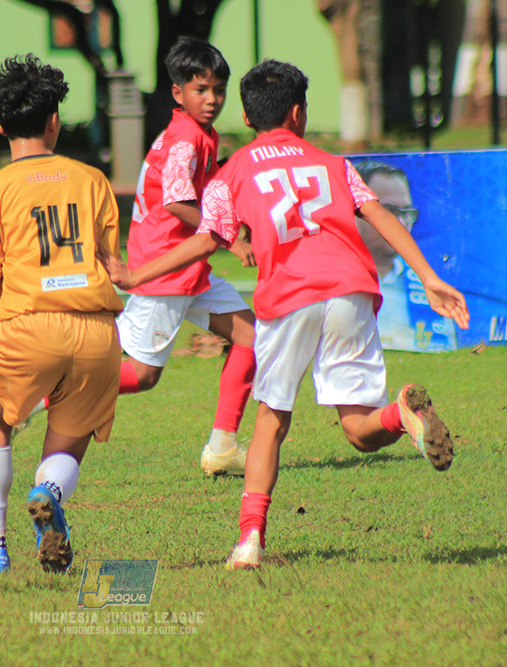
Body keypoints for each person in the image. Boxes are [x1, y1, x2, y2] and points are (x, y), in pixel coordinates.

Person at [98, 60, 470, 570]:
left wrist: (137, 277)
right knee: (362, 431)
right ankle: (400, 415)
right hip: (351, 292)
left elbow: (209, 238)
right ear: (298, 113)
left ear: (248, 118)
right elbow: (379, 214)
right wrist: (429, 277)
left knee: (272, 422)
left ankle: (249, 541)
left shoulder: (234, 171)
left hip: (290, 297)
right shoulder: (333, 163)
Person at [0, 54, 124, 576]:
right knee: (68, 442)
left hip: (27, 326)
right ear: (55, 120)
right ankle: (48, 490)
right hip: (96, 330)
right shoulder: (93, 179)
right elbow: (110, 261)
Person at [117, 35, 257, 477]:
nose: (212, 99)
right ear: (178, 93)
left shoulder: (200, 135)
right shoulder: (185, 140)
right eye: (201, 90)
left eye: (218, 90)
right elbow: (178, 201)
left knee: (252, 337)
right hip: (166, 268)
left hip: (189, 264)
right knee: (141, 376)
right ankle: (47, 394)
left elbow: (211, 191)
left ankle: (223, 446)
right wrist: (231, 237)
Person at [354, 161, 457, 352]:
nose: (400, 223)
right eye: (389, 212)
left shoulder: (426, 284)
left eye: (406, 212)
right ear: (354, 213)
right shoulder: (330, 281)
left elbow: (444, 350)